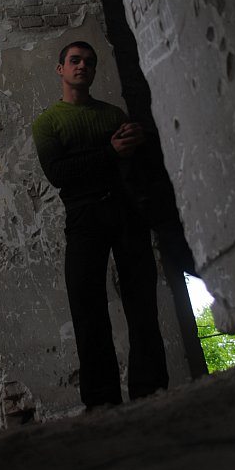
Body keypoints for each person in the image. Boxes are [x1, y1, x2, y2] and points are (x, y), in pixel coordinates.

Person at [32, 41, 168, 410]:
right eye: (75, 60)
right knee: (87, 309)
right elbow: (59, 174)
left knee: (142, 303)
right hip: (83, 216)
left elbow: (134, 166)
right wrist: (110, 151)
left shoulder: (113, 115)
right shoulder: (47, 122)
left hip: (125, 212)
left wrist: (139, 142)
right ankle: (101, 401)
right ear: (60, 68)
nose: (82, 66)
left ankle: (150, 392)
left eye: (89, 62)